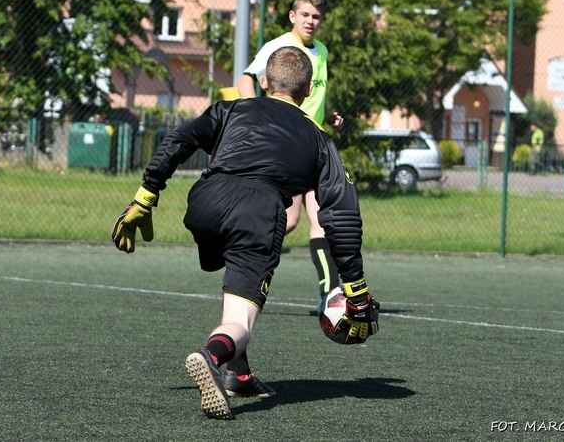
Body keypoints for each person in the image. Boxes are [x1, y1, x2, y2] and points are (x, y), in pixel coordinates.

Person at [112, 47, 379, 420]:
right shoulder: (320, 140)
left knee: (234, 277)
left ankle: (240, 374)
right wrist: (355, 289)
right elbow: (342, 215)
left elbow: (178, 140)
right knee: (240, 318)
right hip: (257, 213)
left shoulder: (232, 108)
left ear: (264, 83)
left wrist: (145, 196)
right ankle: (213, 356)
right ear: (306, 92)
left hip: (204, 203)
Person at [237, 0, 343, 304]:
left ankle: (329, 291)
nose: (311, 21)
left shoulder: (321, 50)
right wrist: (254, 113)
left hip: (316, 144)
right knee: (289, 219)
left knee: (322, 217)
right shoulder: (278, 46)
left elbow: (312, 97)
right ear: (292, 16)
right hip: (287, 144)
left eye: (316, 16)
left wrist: (330, 113)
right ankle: (246, 261)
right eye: (305, 15)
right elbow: (246, 78)